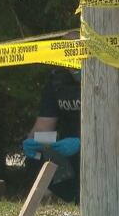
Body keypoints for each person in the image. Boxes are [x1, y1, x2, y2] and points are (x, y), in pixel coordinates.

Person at [22, 66, 82, 203]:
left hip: (104, 149)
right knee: (35, 158)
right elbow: (44, 126)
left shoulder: (109, 76)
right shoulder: (57, 80)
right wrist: (30, 142)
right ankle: (69, 198)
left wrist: (84, 143)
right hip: (67, 148)